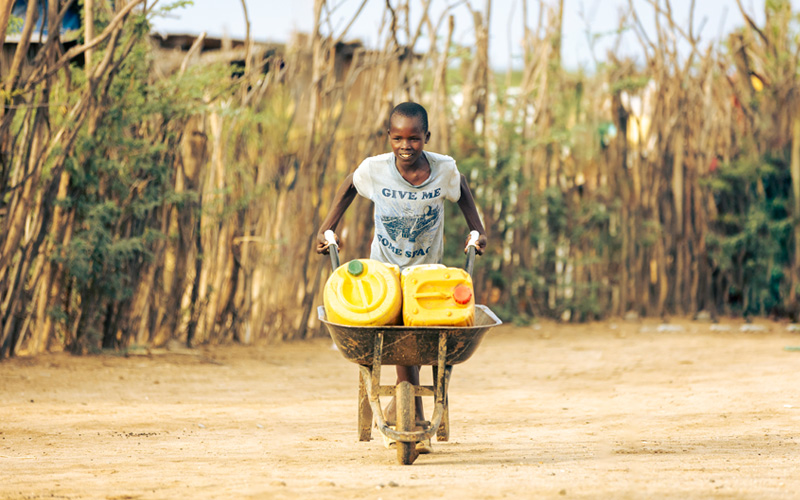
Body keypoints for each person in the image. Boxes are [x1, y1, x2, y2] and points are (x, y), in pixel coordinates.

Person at [316, 101, 487, 454]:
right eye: (397, 139)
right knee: (399, 335)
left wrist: (478, 230)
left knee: (421, 335)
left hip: (427, 273)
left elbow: (464, 190)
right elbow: (350, 185)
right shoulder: (375, 169)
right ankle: (415, 415)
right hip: (385, 272)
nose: (405, 146)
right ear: (388, 137)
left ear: (427, 136)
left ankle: (405, 409)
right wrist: (326, 227)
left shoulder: (444, 170)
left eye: (414, 138)